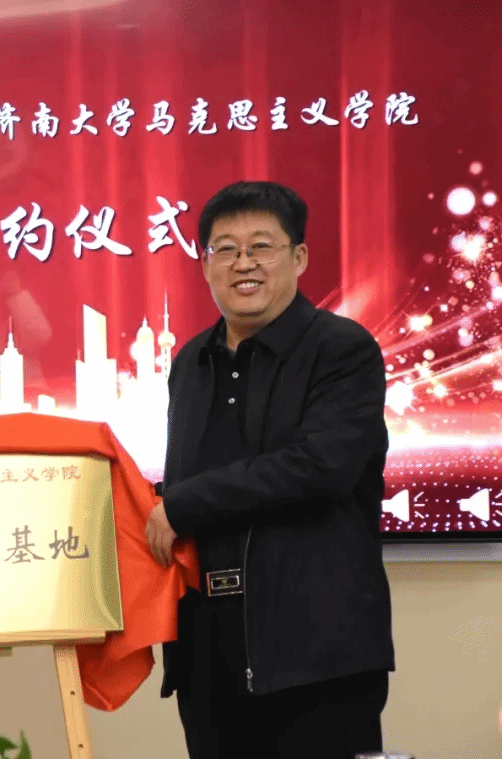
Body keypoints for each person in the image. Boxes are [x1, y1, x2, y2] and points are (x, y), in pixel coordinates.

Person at [146, 181, 395, 758]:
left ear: (299, 257)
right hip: (208, 651)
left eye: (262, 246)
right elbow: (186, 481)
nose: (243, 263)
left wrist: (182, 505)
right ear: (205, 263)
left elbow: (320, 466)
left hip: (316, 652)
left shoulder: (342, 349)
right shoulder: (190, 362)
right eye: (225, 249)